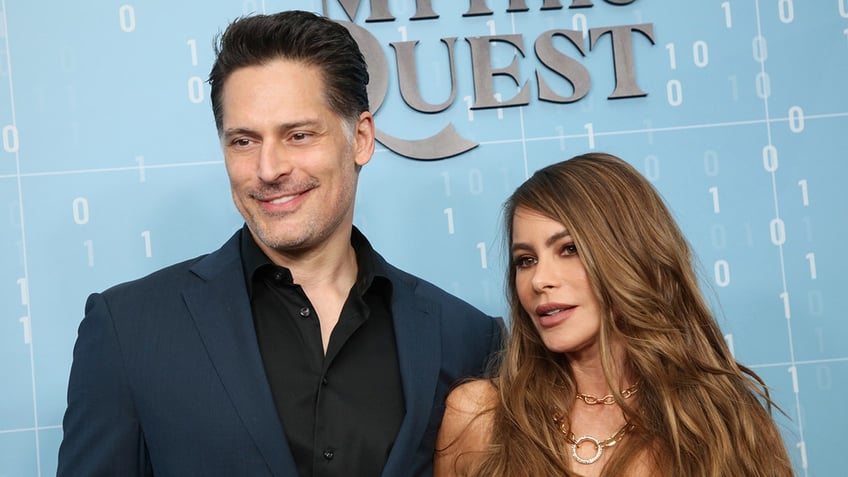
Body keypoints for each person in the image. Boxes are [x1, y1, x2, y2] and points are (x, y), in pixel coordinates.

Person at [57, 10, 502, 477]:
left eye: (299, 135)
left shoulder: (466, 338)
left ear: (362, 139)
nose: (269, 169)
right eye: (244, 141)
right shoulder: (130, 330)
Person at [434, 153, 794, 477]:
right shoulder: (480, 416)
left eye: (569, 249)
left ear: (630, 255)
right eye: (525, 260)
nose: (540, 280)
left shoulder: (721, 419)